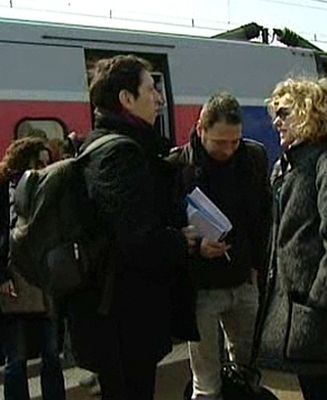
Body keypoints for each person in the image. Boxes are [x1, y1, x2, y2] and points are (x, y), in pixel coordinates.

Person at [66, 54, 197, 400]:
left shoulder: (103, 145)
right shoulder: (120, 155)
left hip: (115, 311)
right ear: (126, 99)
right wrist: (181, 240)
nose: (159, 98)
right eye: (150, 89)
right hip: (123, 316)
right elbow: (138, 240)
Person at [255, 77, 327, 400]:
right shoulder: (290, 166)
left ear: (312, 113)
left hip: (321, 317)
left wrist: (320, 301)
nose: (277, 122)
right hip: (301, 312)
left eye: (285, 113)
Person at [168, 92, 271, 400]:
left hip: (243, 281)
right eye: (220, 142)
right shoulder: (177, 166)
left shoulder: (254, 157)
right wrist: (195, 245)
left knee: (250, 371)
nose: (228, 149)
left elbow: (263, 217)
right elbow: (168, 225)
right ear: (201, 129)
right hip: (201, 288)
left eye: (235, 141)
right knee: (207, 380)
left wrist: (257, 268)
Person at [0, 137, 66, 400]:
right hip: (14, 282)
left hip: (43, 283)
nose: (43, 167)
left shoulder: (47, 190)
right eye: (38, 162)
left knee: (51, 354)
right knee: (15, 358)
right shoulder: (5, 190)